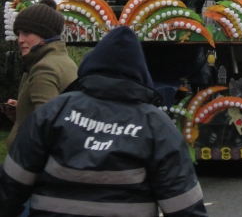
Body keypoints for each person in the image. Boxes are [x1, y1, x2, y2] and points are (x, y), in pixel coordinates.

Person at [0, 26, 208, 216]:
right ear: (141, 74)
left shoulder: (53, 112)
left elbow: (10, 187)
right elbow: (185, 207)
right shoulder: (157, 125)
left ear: (91, 65)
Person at [2, 0, 77, 149]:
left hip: (30, 165)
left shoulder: (44, 68)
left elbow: (48, 128)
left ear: (45, 34)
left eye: (26, 32)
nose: (20, 40)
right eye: (18, 33)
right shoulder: (64, 61)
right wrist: (21, 111)